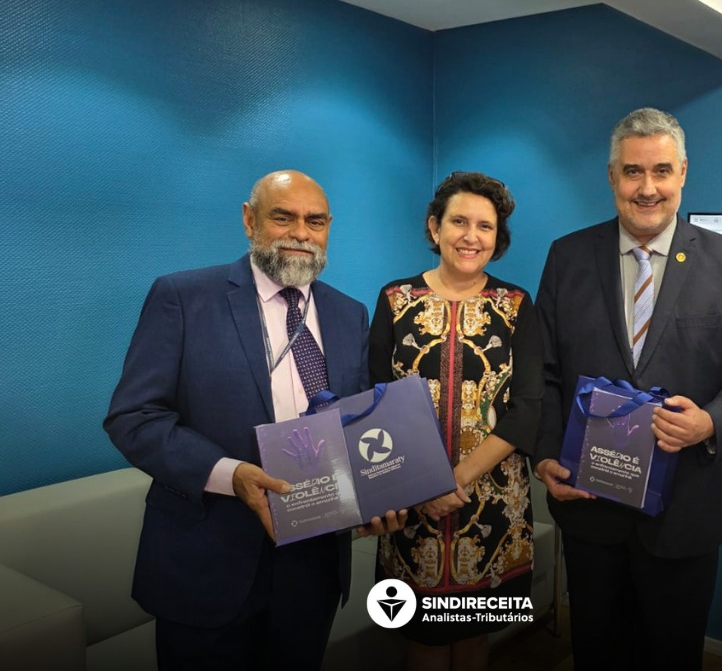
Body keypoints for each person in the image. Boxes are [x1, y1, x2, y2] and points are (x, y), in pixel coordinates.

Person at [104, 170, 403, 671]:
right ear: (249, 220)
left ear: (329, 227)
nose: (301, 233)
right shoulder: (183, 297)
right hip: (208, 562)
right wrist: (232, 475)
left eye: (315, 221)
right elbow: (134, 417)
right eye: (283, 217)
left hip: (313, 567)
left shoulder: (349, 314)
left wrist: (377, 495)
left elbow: (354, 423)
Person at [533, 108, 722, 670]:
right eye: (633, 172)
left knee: (673, 656)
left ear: (683, 173)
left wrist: (709, 422)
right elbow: (544, 371)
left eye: (661, 171)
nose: (647, 188)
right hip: (592, 511)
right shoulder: (568, 257)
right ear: (612, 176)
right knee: (596, 652)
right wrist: (545, 454)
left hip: (685, 513)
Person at [369, 171, 543, 671]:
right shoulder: (394, 300)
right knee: (422, 637)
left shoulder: (516, 305)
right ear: (435, 227)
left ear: (498, 237)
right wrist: (423, 485)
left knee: (474, 635)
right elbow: (374, 402)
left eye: (485, 226)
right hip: (411, 502)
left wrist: (453, 479)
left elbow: (529, 407)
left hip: (492, 503)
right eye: (459, 222)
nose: (471, 236)